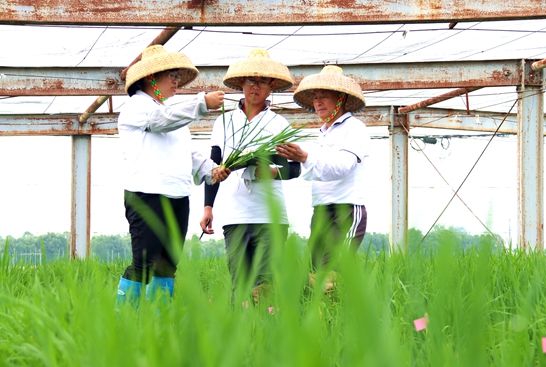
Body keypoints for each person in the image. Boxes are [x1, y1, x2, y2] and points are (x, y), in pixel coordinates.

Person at [116, 44, 229, 304]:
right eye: (171, 76)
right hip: (147, 195)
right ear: (150, 78)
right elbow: (160, 120)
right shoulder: (137, 107)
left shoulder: (173, 115)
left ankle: (160, 324)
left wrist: (212, 171)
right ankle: (124, 322)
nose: (176, 82)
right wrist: (201, 103)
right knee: (143, 263)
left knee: (167, 265)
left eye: (177, 76)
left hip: (178, 196)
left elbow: (187, 153)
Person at [199, 49, 300, 303]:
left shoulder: (279, 124)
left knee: (266, 287)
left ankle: (267, 338)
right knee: (240, 286)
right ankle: (242, 339)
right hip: (235, 215)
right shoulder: (223, 122)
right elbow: (214, 166)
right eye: (250, 81)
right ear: (241, 84)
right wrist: (208, 207)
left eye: (263, 81)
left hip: (270, 217)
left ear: (272, 87)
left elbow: (295, 169)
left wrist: (271, 172)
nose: (255, 87)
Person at [276, 65, 368, 288]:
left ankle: (342, 320)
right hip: (321, 210)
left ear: (341, 98)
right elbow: (312, 169)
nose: (318, 102)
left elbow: (343, 166)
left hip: (345, 210)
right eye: (315, 98)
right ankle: (324, 321)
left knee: (332, 274)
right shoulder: (322, 134)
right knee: (315, 273)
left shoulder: (354, 128)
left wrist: (305, 157)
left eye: (324, 97)